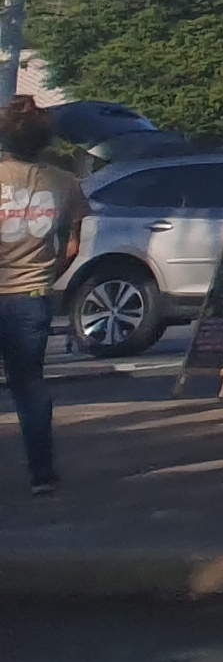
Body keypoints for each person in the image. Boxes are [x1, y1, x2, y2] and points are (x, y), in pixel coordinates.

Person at [0, 94, 91, 494]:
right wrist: (49, 275)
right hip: (32, 295)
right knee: (29, 386)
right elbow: (73, 246)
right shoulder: (64, 183)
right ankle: (42, 474)